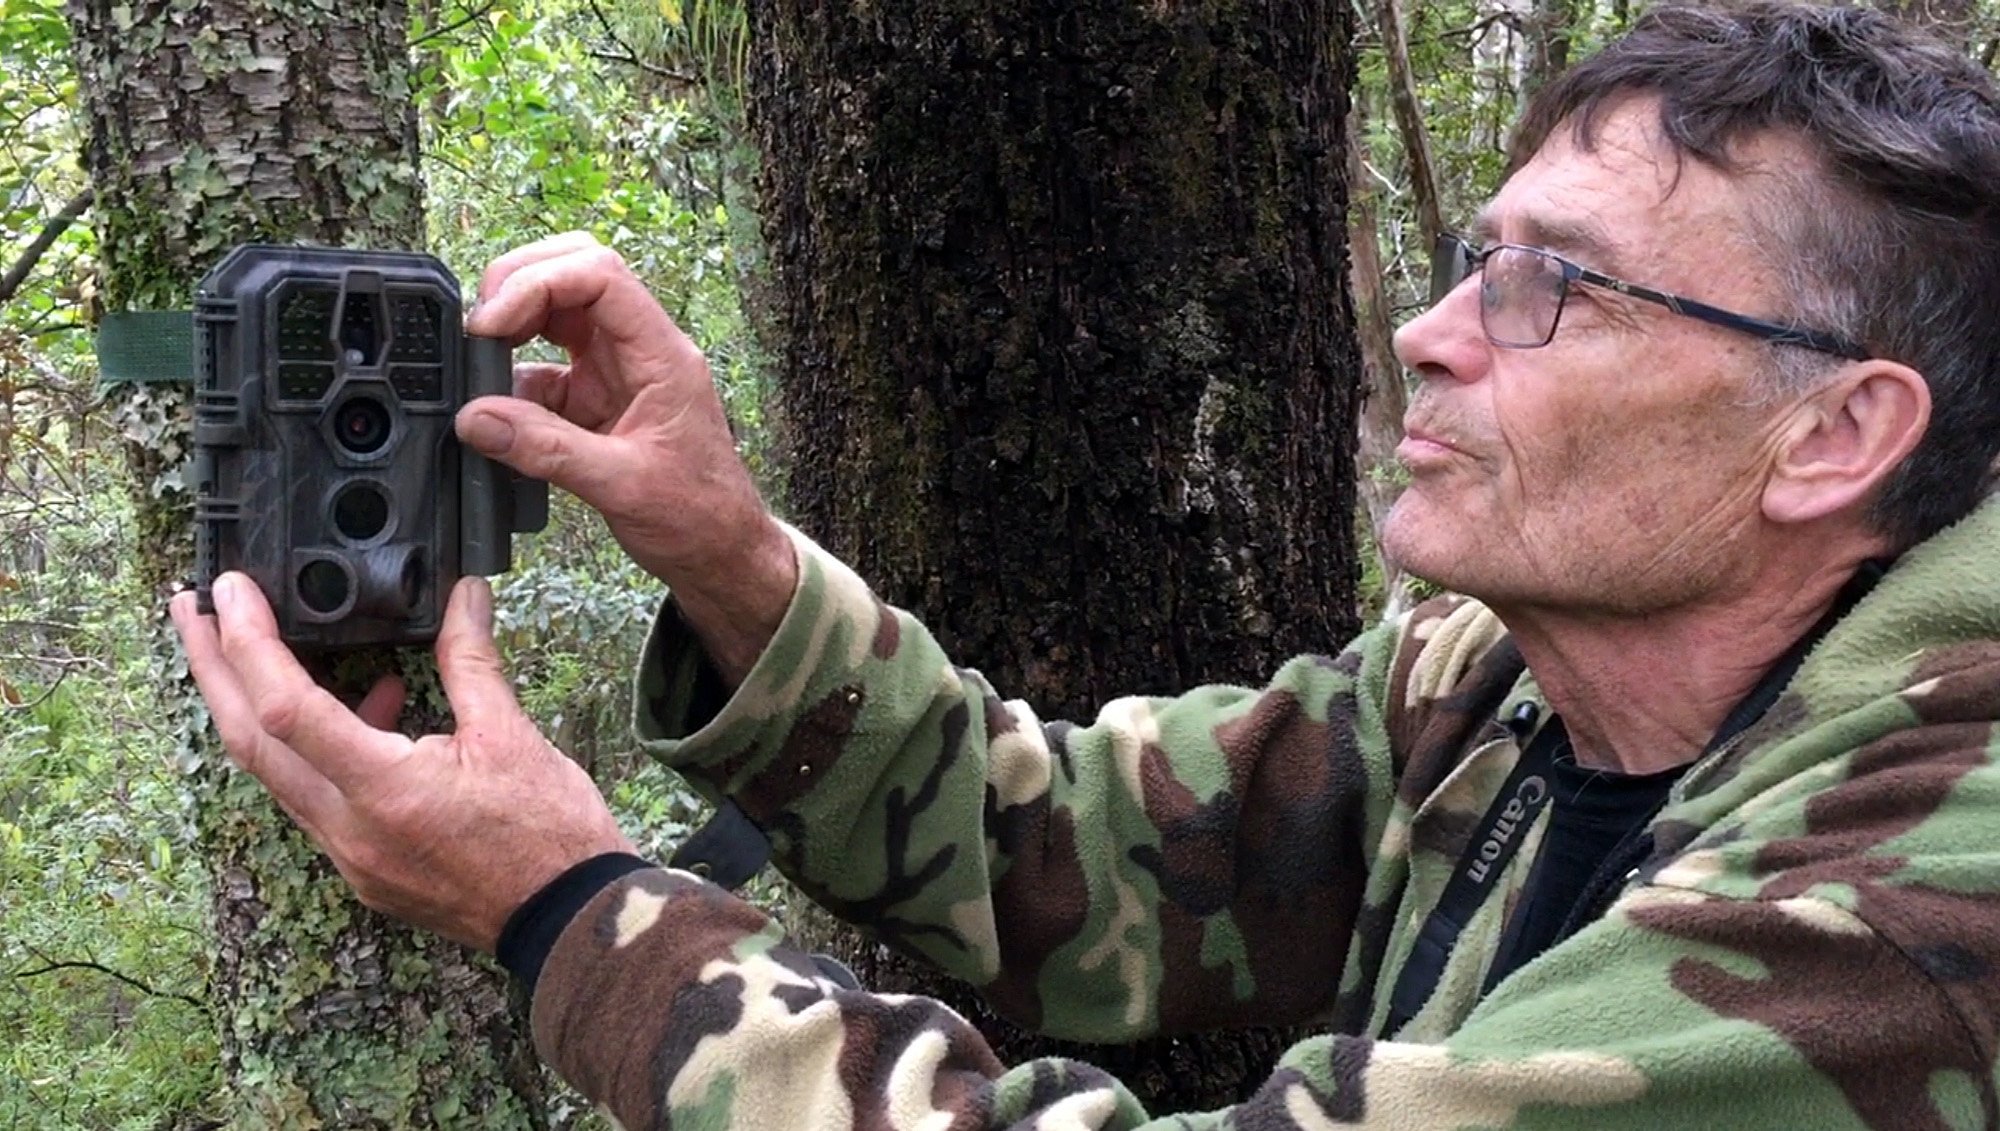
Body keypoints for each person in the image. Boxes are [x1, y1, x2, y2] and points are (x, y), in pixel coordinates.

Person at [171, 2, 2000, 1127]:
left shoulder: (1925, 897)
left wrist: (573, 916)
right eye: (1467, 257)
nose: (1437, 333)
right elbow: (1054, 853)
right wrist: (723, 550)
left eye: (1554, 290)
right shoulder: (1506, 679)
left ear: (1835, 436)